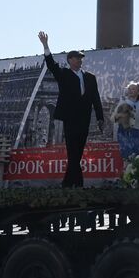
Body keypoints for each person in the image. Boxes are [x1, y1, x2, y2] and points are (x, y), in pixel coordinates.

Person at [38, 31, 104, 187]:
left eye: (81, 58)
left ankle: (67, 183)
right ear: (70, 60)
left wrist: (100, 117)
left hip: (84, 118)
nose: (80, 60)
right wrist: (46, 46)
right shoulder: (64, 74)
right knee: (72, 149)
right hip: (70, 118)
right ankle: (77, 183)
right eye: (76, 58)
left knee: (77, 151)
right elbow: (52, 65)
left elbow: (95, 97)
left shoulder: (90, 77)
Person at [112, 81, 139, 162]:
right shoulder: (122, 103)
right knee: (127, 159)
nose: (130, 90)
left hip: (137, 135)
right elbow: (113, 118)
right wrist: (122, 115)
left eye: (133, 89)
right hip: (124, 135)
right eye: (129, 89)